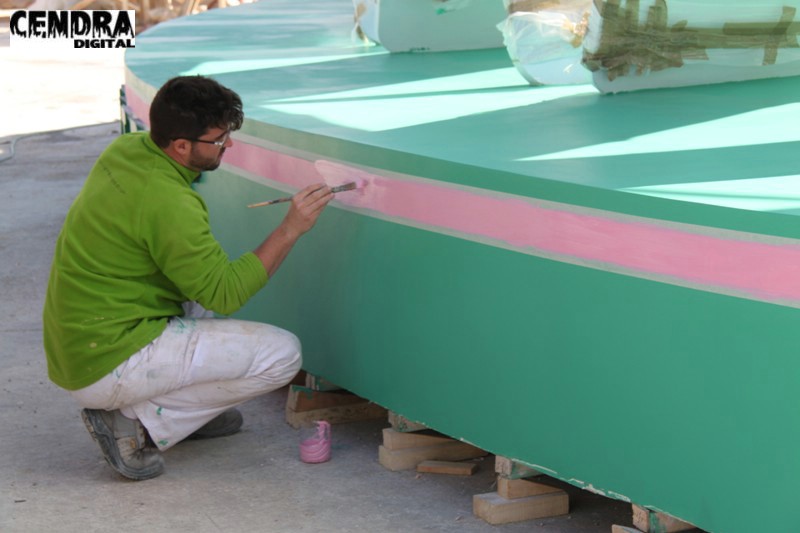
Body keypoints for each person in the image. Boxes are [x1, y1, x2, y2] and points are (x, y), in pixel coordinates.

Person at [42, 75, 333, 480]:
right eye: (219, 139)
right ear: (181, 146)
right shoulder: (170, 202)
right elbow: (226, 293)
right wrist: (291, 228)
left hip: (78, 341)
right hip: (106, 360)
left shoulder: (128, 149)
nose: (228, 145)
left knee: (201, 295)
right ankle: (140, 421)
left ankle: (187, 414)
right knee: (281, 355)